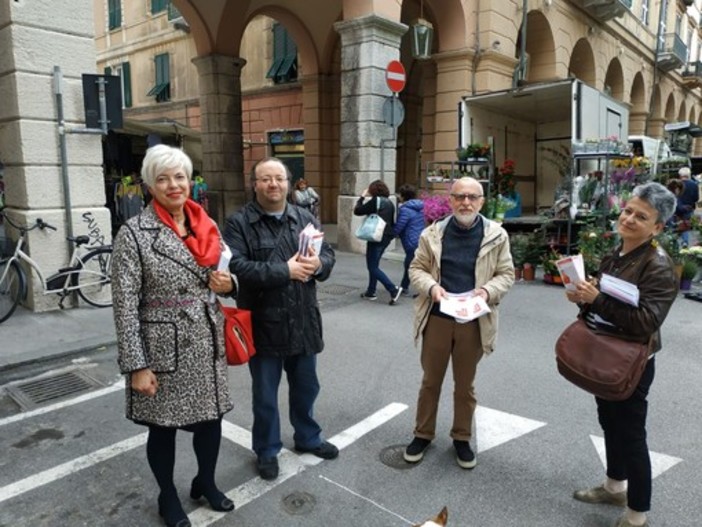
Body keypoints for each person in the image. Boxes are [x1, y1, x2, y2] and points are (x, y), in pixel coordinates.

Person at [112, 145, 235, 527]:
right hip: (162, 348)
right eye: (162, 178)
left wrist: (228, 284)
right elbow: (124, 305)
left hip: (205, 339)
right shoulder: (133, 234)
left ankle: (206, 481)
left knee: (211, 421)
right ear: (150, 185)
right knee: (163, 428)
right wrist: (136, 365)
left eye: (179, 176)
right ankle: (168, 496)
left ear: (190, 181)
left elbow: (226, 278)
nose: (173, 184)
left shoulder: (206, 224)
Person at [567, 182, 678, 527]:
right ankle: (614, 486)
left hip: (632, 361)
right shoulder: (618, 252)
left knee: (631, 434)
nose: (628, 219)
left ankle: (637, 514)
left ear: (657, 227)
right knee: (609, 423)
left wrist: (596, 299)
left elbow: (646, 321)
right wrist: (583, 295)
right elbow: (604, 294)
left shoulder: (658, 266)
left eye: (640, 216)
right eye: (628, 210)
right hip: (606, 349)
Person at [223, 157, 338, 482]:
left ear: (288, 183)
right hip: (262, 325)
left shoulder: (303, 216)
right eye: (265, 179)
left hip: (302, 320)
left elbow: (327, 254)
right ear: (254, 184)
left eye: (279, 178)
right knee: (265, 395)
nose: (273, 184)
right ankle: (267, 450)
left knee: (306, 388)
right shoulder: (239, 223)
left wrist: (317, 266)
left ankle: (308, 438)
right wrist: (284, 271)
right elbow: (236, 268)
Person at [403, 177, 515, 468]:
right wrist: (431, 288)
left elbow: (506, 274)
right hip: (438, 318)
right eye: (460, 196)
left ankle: (462, 437)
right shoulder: (433, 234)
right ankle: (422, 434)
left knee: (465, 385)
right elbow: (417, 268)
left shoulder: (496, 235)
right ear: (450, 200)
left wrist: (487, 291)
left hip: (473, 321)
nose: (466, 202)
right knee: (430, 382)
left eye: (472, 197)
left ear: (482, 201)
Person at [354, 179, 403, 305]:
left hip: (376, 236)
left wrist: (362, 197)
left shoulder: (376, 201)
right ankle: (371, 291)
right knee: (374, 264)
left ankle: (393, 289)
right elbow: (391, 222)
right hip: (386, 237)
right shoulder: (390, 203)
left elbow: (357, 211)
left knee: (372, 266)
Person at [393, 184, 425, 297]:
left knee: (411, 265)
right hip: (420, 239)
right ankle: (404, 286)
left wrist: (390, 234)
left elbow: (399, 226)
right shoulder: (420, 206)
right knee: (412, 264)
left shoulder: (406, 210)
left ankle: (416, 289)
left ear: (403, 196)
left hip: (411, 241)